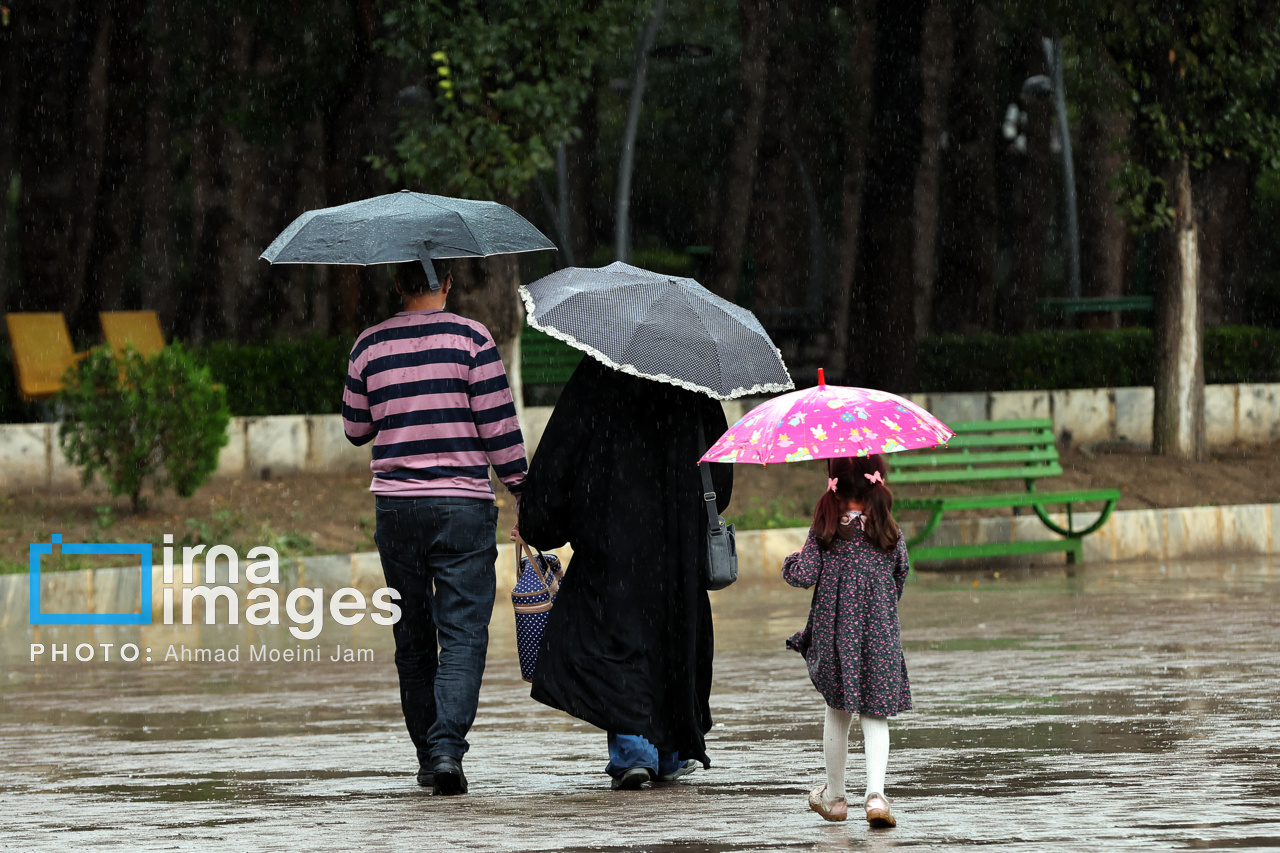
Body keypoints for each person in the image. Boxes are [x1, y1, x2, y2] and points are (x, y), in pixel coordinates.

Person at [342, 260, 526, 796]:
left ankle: (428, 755)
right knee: (464, 633)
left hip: (397, 510)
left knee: (413, 637)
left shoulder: (369, 345)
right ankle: (447, 748)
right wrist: (524, 491)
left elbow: (356, 429)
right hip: (462, 507)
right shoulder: (472, 339)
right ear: (447, 283)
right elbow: (497, 429)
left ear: (397, 284)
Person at [516, 357, 732, 790]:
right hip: (677, 546)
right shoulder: (692, 377)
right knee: (673, 642)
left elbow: (561, 452)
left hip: (612, 541)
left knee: (620, 640)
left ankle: (635, 751)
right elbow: (720, 476)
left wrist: (542, 520)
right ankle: (670, 751)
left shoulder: (598, 372)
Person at [782, 453, 910, 828]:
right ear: (877, 481)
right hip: (880, 633)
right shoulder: (888, 529)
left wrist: (793, 559)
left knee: (837, 709)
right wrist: (881, 609)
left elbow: (802, 575)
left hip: (836, 635)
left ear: (833, 482)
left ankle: (836, 797)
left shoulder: (827, 529)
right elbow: (900, 574)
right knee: (875, 713)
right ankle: (876, 796)